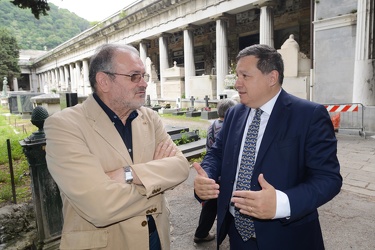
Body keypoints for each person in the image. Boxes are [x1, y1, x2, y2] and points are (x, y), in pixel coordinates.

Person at [193, 44, 342, 249]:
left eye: (245, 76)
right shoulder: (235, 114)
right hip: (237, 235)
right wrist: (206, 176)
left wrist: (281, 203)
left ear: (272, 78)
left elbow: (328, 179)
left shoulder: (309, 115)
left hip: (287, 238)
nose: (237, 84)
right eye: (237, 75)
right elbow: (217, 153)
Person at [44, 44, 190, 250]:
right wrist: (156, 184)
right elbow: (100, 207)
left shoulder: (150, 118)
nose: (144, 83)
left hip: (156, 237)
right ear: (104, 81)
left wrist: (128, 174)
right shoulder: (64, 125)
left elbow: (181, 167)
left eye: (143, 76)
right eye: (134, 76)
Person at [194, 98, 237, 244]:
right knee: (223, 205)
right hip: (224, 175)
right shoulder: (230, 127)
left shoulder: (212, 126)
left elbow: (209, 148)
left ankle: (202, 232)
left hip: (212, 172)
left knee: (210, 206)